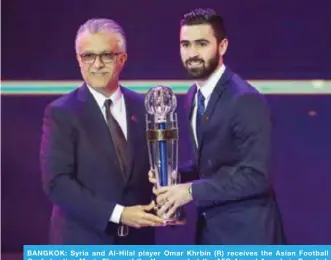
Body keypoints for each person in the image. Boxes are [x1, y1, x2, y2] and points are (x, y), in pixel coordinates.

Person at [150, 8, 285, 244]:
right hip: (211, 234)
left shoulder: (245, 99)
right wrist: (175, 176)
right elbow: (213, 163)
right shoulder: (193, 96)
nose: (192, 53)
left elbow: (256, 176)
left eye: (201, 44)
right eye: (185, 44)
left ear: (222, 46)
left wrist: (190, 191)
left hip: (248, 236)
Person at [40, 18, 164, 245]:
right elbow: (57, 183)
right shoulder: (61, 113)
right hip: (83, 243)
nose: (97, 64)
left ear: (122, 59)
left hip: (138, 244)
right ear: (79, 60)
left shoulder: (145, 107)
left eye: (106, 55)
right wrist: (119, 214)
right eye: (88, 56)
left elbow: (156, 170)